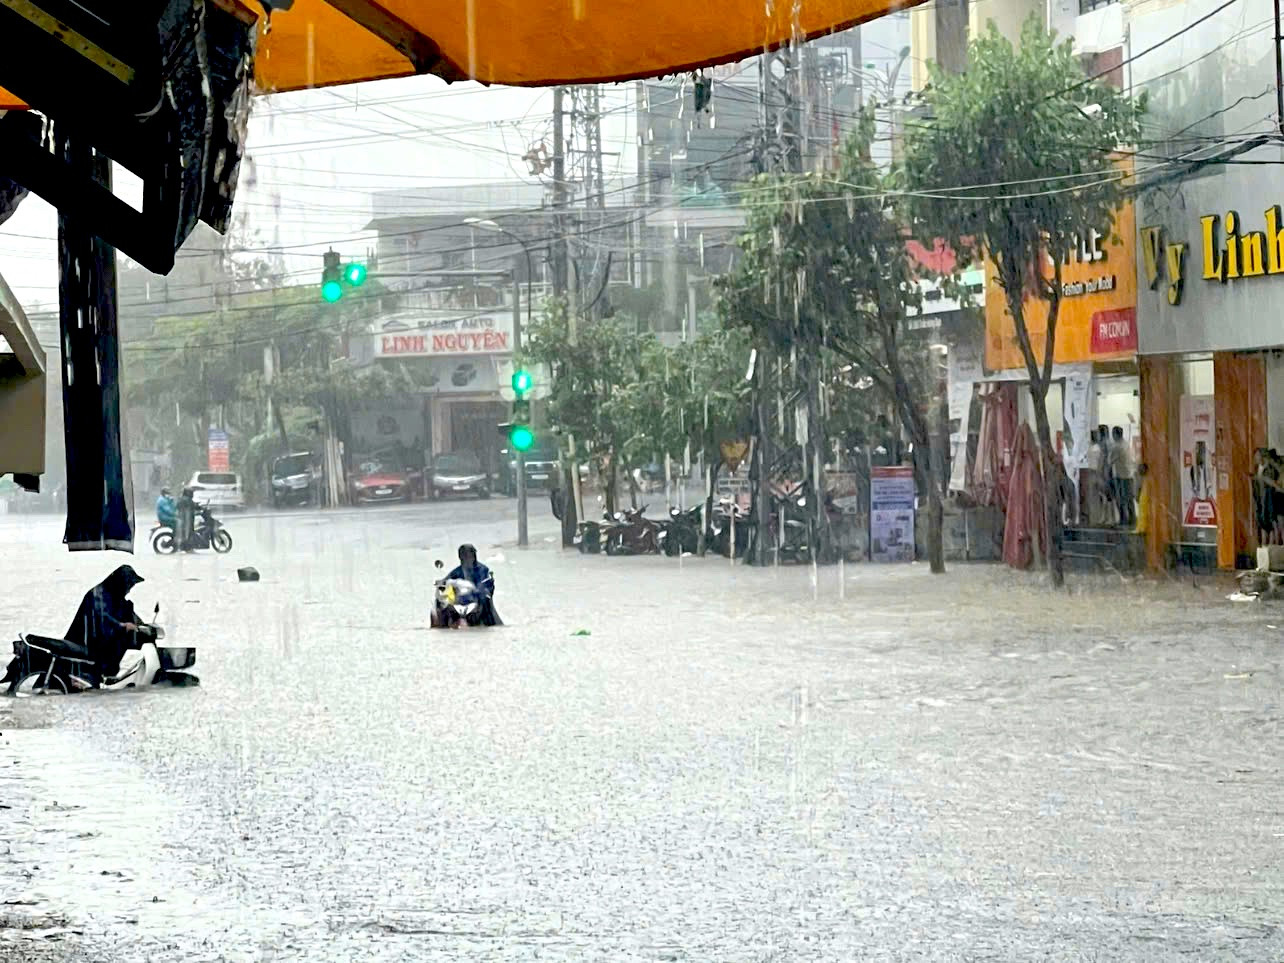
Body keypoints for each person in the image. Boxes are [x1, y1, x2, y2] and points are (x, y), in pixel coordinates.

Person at [65, 565, 145, 680]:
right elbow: (103, 617)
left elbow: (127, 613)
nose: (129, 589)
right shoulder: (98, 594)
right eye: (129, 585)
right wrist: (122, 625)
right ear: (121, 583)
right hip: (86, 643)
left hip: (99, 642)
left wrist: (140, 624)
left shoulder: (116, 595)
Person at [446, 543, 500, 625]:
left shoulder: (483, 570)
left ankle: (490, 623)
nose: (468, 558)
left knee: (485, 602)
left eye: (470, 556)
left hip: (479, 600)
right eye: (464, 556)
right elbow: (447, 582)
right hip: (461, 602)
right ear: (460, 557)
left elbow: (487, 585)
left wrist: (477, 591)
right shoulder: (456, 572)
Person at [1108, 426, 1136, 527]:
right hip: (1129, 475)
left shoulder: (1116, 447)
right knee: (1129, 499)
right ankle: (1132, 519)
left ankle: (1123, 519)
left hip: (1121, 476)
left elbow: (1109, 461)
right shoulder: (1126, 444)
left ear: (1115, 434)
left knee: (1121, 499)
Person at [176, 487, 197, 552]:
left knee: (183, 534)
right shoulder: (188, 500)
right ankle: (189, 548)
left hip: (181, 519)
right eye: (191, 493)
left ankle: (182, 547)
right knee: (189, 534)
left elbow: (177, 507)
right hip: (187, 520)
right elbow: (192, 506)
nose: (192, 494)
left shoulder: (181, 499)